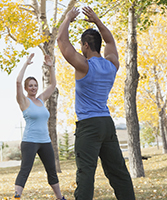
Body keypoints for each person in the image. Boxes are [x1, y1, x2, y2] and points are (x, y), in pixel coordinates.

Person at [57, 7, 135, 200]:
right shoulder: (112, 64)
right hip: (106, 124)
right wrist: (97, 21)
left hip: (89, 126)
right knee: (119, 173)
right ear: (98, 45)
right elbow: (110, 41)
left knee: (86, 174)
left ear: (85, 45)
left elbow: (61, 41)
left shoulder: (84, 66)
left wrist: (67, 19)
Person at [12, 53, 64, 200]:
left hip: (45, 141)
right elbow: (17, 81)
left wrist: (51, 67)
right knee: (25, 170)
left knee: (52, 171)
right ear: (26, 88)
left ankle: (60, 197)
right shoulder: (23, 101)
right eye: (31, 86)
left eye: (35, 86)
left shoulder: (41, 100)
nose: (34, 88)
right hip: (30, 141)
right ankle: (17, 196)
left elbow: (53, 85)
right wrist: (26, 64)